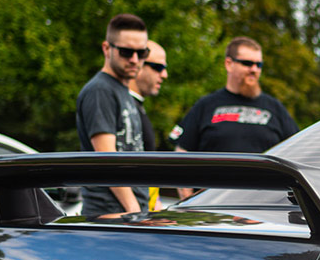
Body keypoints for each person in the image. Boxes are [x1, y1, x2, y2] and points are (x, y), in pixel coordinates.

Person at [75, 13, 151, 216]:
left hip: (127, 213)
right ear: (106, 49)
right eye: (126, 52)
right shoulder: (100, 91)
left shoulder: (122, 91)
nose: (135, 60)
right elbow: (106, 159)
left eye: (142, 53)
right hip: (110, 214)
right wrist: (133, 210)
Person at [168, 37, 299, 153]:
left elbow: (299, 150)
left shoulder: (275, 108)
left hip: (263, 181)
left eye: (259, 65)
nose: (254, 69)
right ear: (229, 64)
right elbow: (182, 152)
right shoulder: (206, 105)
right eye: (247, 63)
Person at [128, 40, 168, 151]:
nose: (165, 75)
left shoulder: (136, 107)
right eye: (158, 67)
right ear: (138, 65)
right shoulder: (121, 106)